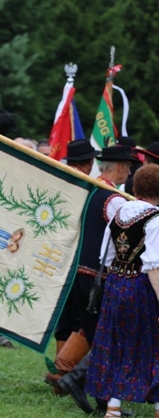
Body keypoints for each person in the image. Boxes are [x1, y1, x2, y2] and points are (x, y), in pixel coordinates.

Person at [51, 144, 135, 415]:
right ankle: (78, 381)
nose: (131, 171)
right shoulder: (115, 200)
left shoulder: (90, 190)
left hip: (80, 275)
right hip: (97, 279)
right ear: (120, 168)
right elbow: (129, 240)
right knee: (109, 338)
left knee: (101, 337)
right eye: (129, 166)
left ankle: (97, 396)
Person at [85, 164, 159, 418]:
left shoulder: (120, 214)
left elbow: (106, 257)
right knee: (152, 344)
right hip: (142, 288)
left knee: (117, 344)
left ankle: (113, 408)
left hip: (116, 285)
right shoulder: (156, 219)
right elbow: (155, 267)